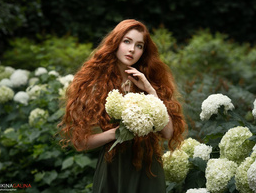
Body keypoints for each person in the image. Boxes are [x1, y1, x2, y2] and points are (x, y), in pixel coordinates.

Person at [59, 19, 186, 193]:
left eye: (139, 45)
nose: (132, 49)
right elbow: (81, 143)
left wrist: (150, 90)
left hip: (147, 167)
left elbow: (168, 132)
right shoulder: (96, 85)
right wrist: (116, 133)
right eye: (127, 41)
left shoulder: (149, 82)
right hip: (114, 168)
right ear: (116, 43)